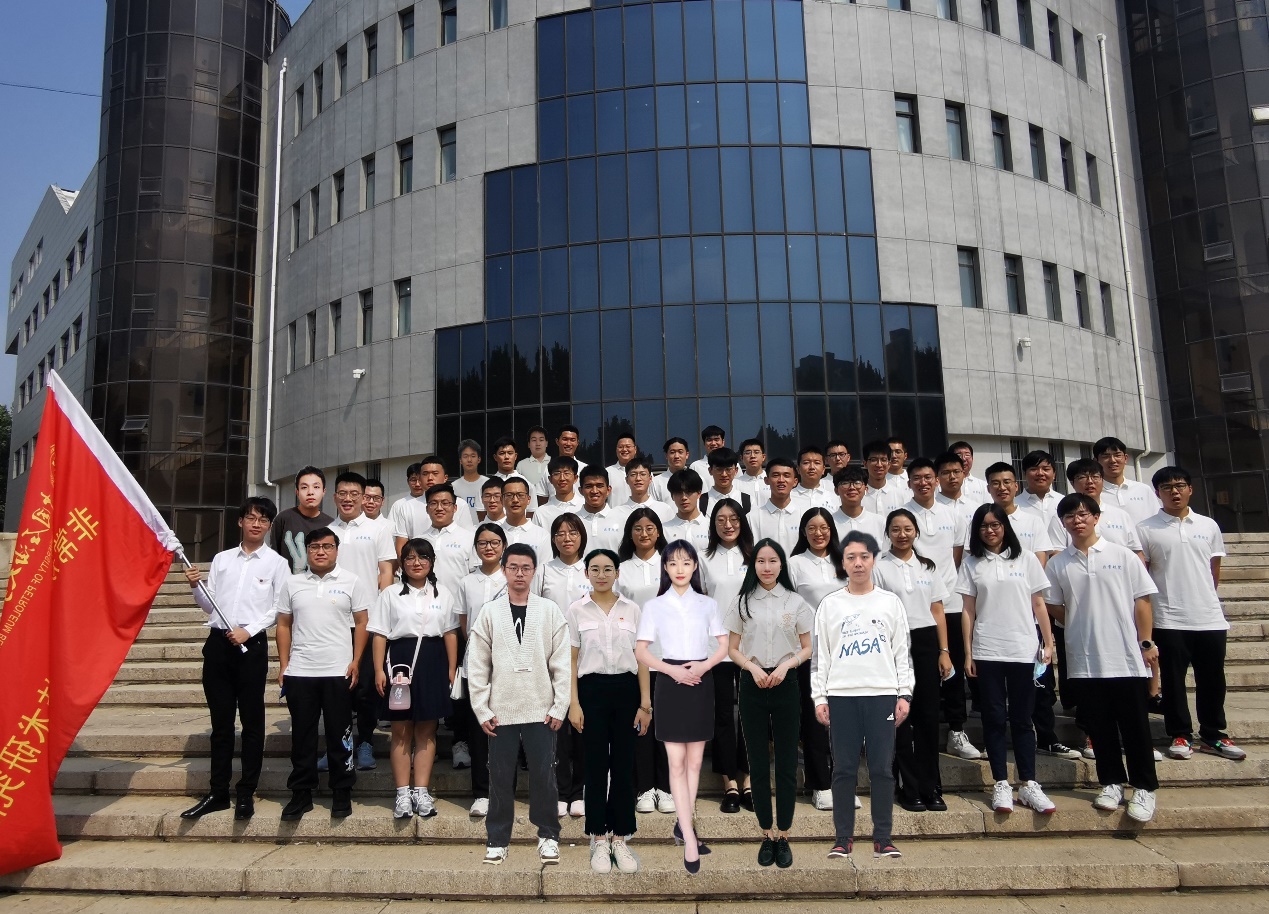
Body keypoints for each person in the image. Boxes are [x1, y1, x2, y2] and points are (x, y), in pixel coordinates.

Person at [1045, 493, 1161, 823]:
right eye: (1070, 516)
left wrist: (1145, 642)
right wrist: (1080, 620)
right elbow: (1053, 604)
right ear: (1063, 523)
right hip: (1085, 660)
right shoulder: (1058, 564)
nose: (1077, 520)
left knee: (1135, 727)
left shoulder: (1122, 556)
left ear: (1096, 517)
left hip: (1125, 657)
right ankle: (1111, 782)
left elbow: (1143, 602)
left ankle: (1144, 787)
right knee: (1100, 727)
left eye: (1083, 514)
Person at [180, 497, 290, 822]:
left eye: (263, 520)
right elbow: (209, 605)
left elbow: (279, 608)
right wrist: (195, 586)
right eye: (251, 518)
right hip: (218, 645)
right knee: (221, 724)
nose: (256, 524)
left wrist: (249, 630)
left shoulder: (276, 563)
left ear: (269, 526)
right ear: (240, 521)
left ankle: (246, 791)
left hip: (251, 647)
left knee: (253, 722)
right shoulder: (222, 559)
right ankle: (218, 792)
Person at [467, 543, 571, 865]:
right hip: (501, 710)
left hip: (542, 709)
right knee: (499, 777)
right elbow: (478, 664)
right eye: (513, 567)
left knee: (544, 776)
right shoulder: (490, 612)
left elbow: (562, 662)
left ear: (534, 571)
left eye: (526, 568)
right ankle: (498, 839)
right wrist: (482, 708)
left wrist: (560, 705)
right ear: (504, 570)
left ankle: (548, 836)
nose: (520, 574)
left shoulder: (549, 610)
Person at [813, 531, 912, 861]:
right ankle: (843, 838)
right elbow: (822, 655)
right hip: (841, 696)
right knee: (843, 769)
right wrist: (820, 697)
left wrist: (904, 694)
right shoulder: (830, 604)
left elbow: (901, 651)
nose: (858, 563)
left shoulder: (890, 602)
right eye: (851, 557)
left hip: (882, 694)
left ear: (873, 560)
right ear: (842, 563)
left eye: (864, 557)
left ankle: (883, 838)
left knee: (882, 769)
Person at [635, 540, 730, 874]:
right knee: (676, 763)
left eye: (686, 563)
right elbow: (641, 651)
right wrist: (671, 670)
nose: (679, 569)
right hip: (670, 682)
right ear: (665, 567)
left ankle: (683, 825)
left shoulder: (707, 604)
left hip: (701, 679)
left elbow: (723, 646)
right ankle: (689, 837)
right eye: (673, 563)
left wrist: (703, 667)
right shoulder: (654, 606)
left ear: (694, 567)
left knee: (695, 763)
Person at [1138, 466, 1245, 761]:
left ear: (1190, 489)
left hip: (1209, 616)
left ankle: (1214, 734)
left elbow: (1213, 570)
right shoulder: (1145, 529)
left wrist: (1204, 598)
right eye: (1167, 487)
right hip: (1168, 617)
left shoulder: (1208, 525)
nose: (1174, 491)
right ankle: (1180, 734)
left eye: (1180, 485)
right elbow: (1143, 575)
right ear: (1157, 493)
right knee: (1173, 680)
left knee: (1213, 679)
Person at [959, 504, 1058, 815]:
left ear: (1005, 526)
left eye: (996, 524)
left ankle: (1028, 783)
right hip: (987, 649)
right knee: (993, 717)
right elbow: (968, 610)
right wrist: (968, 652)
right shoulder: (972, 563)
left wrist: (1048, 643)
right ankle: (1001, 782)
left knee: (1023, 719)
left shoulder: (1026, 558)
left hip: (1022, 649)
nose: (990, 530)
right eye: (984, 526)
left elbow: (1039, 604)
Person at [275, 527, 375, 821]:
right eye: (315, 546)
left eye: (327, 546)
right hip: (301, 671)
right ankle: (301, 792)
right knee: (302, 735)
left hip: (338, 670)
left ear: (336, 550)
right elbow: (283, 624)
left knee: (340, 733)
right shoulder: (293, 583)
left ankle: (341, 790)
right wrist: (284, 665)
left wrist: (356, 661)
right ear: (306, 551)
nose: (321, 551)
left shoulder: (351, 581)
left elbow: (362, 622)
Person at [726, 539, 812, 868]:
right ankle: (766, 833)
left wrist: (786, 666)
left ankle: (784, 834)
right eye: (760, 561)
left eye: (772, 560)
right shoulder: (743, 602)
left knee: (787, 762)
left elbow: (807, 647)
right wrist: (752, 668)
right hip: (753, 683)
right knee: (758, 762)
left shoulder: (795, 601)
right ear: (754, 566)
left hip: (785, 683)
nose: (766, 567)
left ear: (781, 565)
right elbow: (733, 649)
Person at [567, 548, 651, 874]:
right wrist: (574, 704)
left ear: (617, 573)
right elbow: (571, 660)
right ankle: (599, 837)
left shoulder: (632, 609)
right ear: (586, 573)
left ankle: (620, 836)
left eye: (607, 569)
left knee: (624, 766)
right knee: (595, 765)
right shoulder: (576, 610)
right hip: (591, 691)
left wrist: (645, 704)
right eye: (595, 569)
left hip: (627, 691)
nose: (601, 575)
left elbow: (642, 659)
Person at [370, 538, 460, 819]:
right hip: (400, 662)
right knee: (400, 731)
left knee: (427, 730)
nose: (416, 563)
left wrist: (451, 668)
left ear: (432, 561)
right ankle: (402, 793)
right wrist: (378, 670)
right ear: (402, 563)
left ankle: (421, 791)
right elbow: (379, 634)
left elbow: (450, 632)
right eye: (409, 558)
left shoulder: (443, 594)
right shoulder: (390, 594)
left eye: (422, 557)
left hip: (433, 661)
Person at [872, 508, 951, 813]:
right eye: (895, 529)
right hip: (893, 645)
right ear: (887, 533)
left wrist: (944, 651)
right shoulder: (879, 566)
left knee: (928, 717)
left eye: (907, 529)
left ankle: (931, 786)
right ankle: (908, 786)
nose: (902, 534)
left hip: (926, 642)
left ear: (916, 531)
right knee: (899, 717)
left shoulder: (927, 566)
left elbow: (938, 610)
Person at [903, 457, 978, 761]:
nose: (923, 482)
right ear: (909, 482)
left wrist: (944, 588)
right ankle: (915, 729)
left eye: (928, 477)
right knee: (917, 671)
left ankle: (956, 731)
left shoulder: (953, 515)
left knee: (953, 668)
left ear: (936, 481)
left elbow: (956, 557)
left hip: (951, 602)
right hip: (915, 607)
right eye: (916, 478)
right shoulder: (902, 515)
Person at [330, 471, 396, 773]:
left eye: (354, 494)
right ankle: (338, 745)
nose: (348, 499)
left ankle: (366, 741)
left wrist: (383, 609)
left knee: (367, 686)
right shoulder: (327, 531)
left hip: (367, 621)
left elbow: (386, 571)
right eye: (342, 493)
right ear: (335, 497)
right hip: (333, 623)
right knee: (336, 689)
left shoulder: (377, 529)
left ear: (362, 497)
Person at [617, 507, 676, 815]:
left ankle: (666, 787)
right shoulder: (621, 568)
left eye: (650, 528)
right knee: (639, 723)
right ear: (630, 533)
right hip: (633, 656)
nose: (644, 533)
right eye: (638, 528)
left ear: (658, 532)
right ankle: (644, 788)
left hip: (667, 654)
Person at [533, 511, 592, 818]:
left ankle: (580, 791)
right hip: (551, 656)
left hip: (587, 656)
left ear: (582, 536)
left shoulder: (591, 568)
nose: (566, 538)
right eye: (560, 533)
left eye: (573, 532)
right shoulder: (544, 570)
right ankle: (558, 790)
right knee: (555, 726)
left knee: (582, 725)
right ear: (553, 539)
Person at [787, 507, 845, 812]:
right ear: (803, 532)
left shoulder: (845, 560)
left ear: (831, 530)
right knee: (815, 718)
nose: (818, 533)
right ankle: (820, 784)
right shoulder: (795, 563)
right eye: (812, 528)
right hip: (810, 651)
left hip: (845, 650)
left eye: (824, 527)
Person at [699, 499, 754, 814]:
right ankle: (729, 783)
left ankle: (748, 781)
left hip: (752, 647)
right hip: (716, 647)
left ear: (742, 522)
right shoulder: (704, 558)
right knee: (722, 715)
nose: (728, 524)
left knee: (750, 714)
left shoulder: (755, 555)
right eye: (721, 520)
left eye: (734, 518)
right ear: (713, 524)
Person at [456, 523, 509, 815]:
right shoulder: (467, 581)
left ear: (504, 546)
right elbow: (464, 623)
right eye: (483, 543)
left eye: (494, 542)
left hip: (509, 664)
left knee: (506, 729)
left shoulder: (513, 577)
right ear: (475, 547)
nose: (489, 547)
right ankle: (481, 793)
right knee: (479, 731)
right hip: (476, 664)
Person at [983, 462, 1054, 558]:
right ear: (988, 489)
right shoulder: (981, 522)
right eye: (995, 483)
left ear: (1016, 486)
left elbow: (1040, 558)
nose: (1002, 488)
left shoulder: (1034, 522)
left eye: (1007, 482)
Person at [272, 466, 334, 573]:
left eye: (316, 487)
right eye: (304, 487)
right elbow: (274, 555)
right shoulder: (283, 519)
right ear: (297, 492)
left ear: (324, 491)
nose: (310, 492)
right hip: (286, 582)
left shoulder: (332, 525)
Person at [421, 484, 477, 593]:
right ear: (427, 509)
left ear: (455, 508)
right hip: (425, 602)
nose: (439, 508)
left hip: (459, 602)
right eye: (433, 503)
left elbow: (476, 577)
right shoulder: (419, 540)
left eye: (445, 503)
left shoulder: (470, 538)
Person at [1094, 436, 1161, 526]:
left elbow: (1158, 520)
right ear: (1096, 461)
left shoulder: (1143, 489)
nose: (1113, 460)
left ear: (1125, 458)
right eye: (1106, 456)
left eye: (1117, 455)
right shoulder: (1094, 494)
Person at [752, 458, 806, 553]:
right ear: (766, 480)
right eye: (776, 475)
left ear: (795, 482)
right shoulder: (753, 518)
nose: (781, 480)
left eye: (786, 475)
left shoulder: (804, 516)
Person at [577, 465, 630, 552]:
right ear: (580, 491)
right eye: (589, 486)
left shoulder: (623, 519)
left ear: (608, 490)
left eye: (599, 486)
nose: (594, 491)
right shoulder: (572, 521)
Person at [498, 475, 551, 561]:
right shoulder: (494, 535)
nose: (515, 500)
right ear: (502, 500)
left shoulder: (542, 536)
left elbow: (544, 568)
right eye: (509, 495)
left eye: (520, 495)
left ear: (528, 499)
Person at [831, 466, 887, 544]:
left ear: (866, 489)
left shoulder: (879, 522)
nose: (852, 487)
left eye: (857, 483)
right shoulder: (829, 523)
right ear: (836, 490)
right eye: (845, 483)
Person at [537, 425, 588, 503]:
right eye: (565, 439)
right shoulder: (546, 469)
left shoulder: (585, 469)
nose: (568, 443)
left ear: (577, 443)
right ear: (557, 441)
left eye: (572, 440)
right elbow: (542, 500)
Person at [532, 456, 586, 530]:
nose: (562, 478)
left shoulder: (586, 506)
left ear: (575, 478)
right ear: (550, 479)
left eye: (567, 473)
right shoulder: (541, 513)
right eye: (557, 473)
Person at [665, 469, 711, 552]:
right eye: (679, 493)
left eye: (689, 492)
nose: (684, 498)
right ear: (672, 496)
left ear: (699, 493)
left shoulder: (711, 527)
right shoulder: (664, 529)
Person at [622, 456, 676, 522]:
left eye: (643, 474)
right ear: (626, 480)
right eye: (633, 474)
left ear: (650, 479)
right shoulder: (618, 512)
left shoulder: (664, 510)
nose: (638, 478)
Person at [701, 448, 752, 516]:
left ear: (736, 470)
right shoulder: (700, 502)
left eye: (728, 469)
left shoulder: (748, 501)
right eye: (719, 469)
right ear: (710, 471)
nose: (724, 474)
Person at [862, 441, 908, 516]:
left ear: (889, 464)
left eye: (883, 460)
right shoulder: (858, 496)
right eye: (873, 460)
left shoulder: (901, 496)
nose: (879, 465)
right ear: (865, 464)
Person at [1017, 450, 1062, 521]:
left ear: (1054, 474)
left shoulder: (1063, 501)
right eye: (1033, 469)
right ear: (1024, 474)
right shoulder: (1014, 505)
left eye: (1046, 469)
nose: (1040, 473)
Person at [453, 440, 490, 525]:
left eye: (473, 456)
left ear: (479, 459)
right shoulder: (454, 487)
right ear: (460, 460)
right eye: (465, 456)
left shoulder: (488, 483)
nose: (469, 460)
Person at [515, 426, 552, 498]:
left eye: (541, 440)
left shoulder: (553, 463)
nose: (538, 443)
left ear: (546, 443)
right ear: (529, 444)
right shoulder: (521, 465)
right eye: (534, 440)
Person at [653, 437, 693, 503]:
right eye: (672, 452)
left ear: (687, 455)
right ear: (666, 455)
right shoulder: (656, 482)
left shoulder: (696, 479)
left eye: (680, 452)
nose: (676, 456)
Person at [950, 441, 990, 506]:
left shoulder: (983, 486)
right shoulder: (942, 485)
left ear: (972, 458)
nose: (963, 459)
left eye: (967, 455)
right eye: (958, 455)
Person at [606, 434, 639, 506]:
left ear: (635, 449)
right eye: (620, 447)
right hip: (615, 513)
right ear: (616, 450)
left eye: (628, 446)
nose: (624, 449)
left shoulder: (644, 472)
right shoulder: (607, 472)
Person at [736, 438, 769, 508]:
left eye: (756, 452)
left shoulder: (773, 481)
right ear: (741, 458)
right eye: (748, 453)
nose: (752, 456)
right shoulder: (735, 484)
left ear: (763, 457)